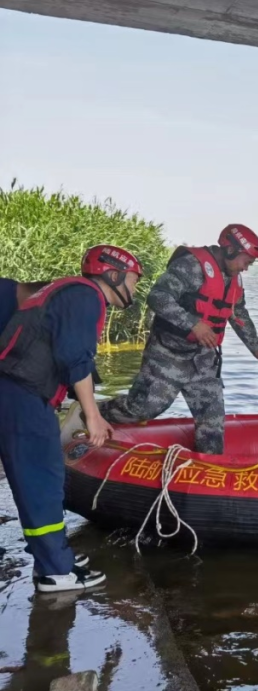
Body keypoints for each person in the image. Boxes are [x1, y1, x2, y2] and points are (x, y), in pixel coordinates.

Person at [0, 245, 143, 593]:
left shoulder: (68, 290)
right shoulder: (86, 296)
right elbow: (74, 358)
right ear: (113, 274)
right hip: (22, 395)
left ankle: (52, 558)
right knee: (42, 484)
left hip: (18, 392)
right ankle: (55, 572)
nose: (136, 290)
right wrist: (92, 417)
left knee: (40, 481)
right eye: (134, 281)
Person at [89, 225, 258, 455]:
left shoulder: (234, 280)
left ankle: (209, 470)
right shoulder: (191, 266)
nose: (246, 268)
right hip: (168, 354)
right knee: (144, 408)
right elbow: (158, 297)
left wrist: (256, 348)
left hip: (203, 359)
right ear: (231, 250)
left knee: (212, 420)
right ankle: (92, 413)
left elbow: (239, 314)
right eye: (246, 261)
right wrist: (194, 324)